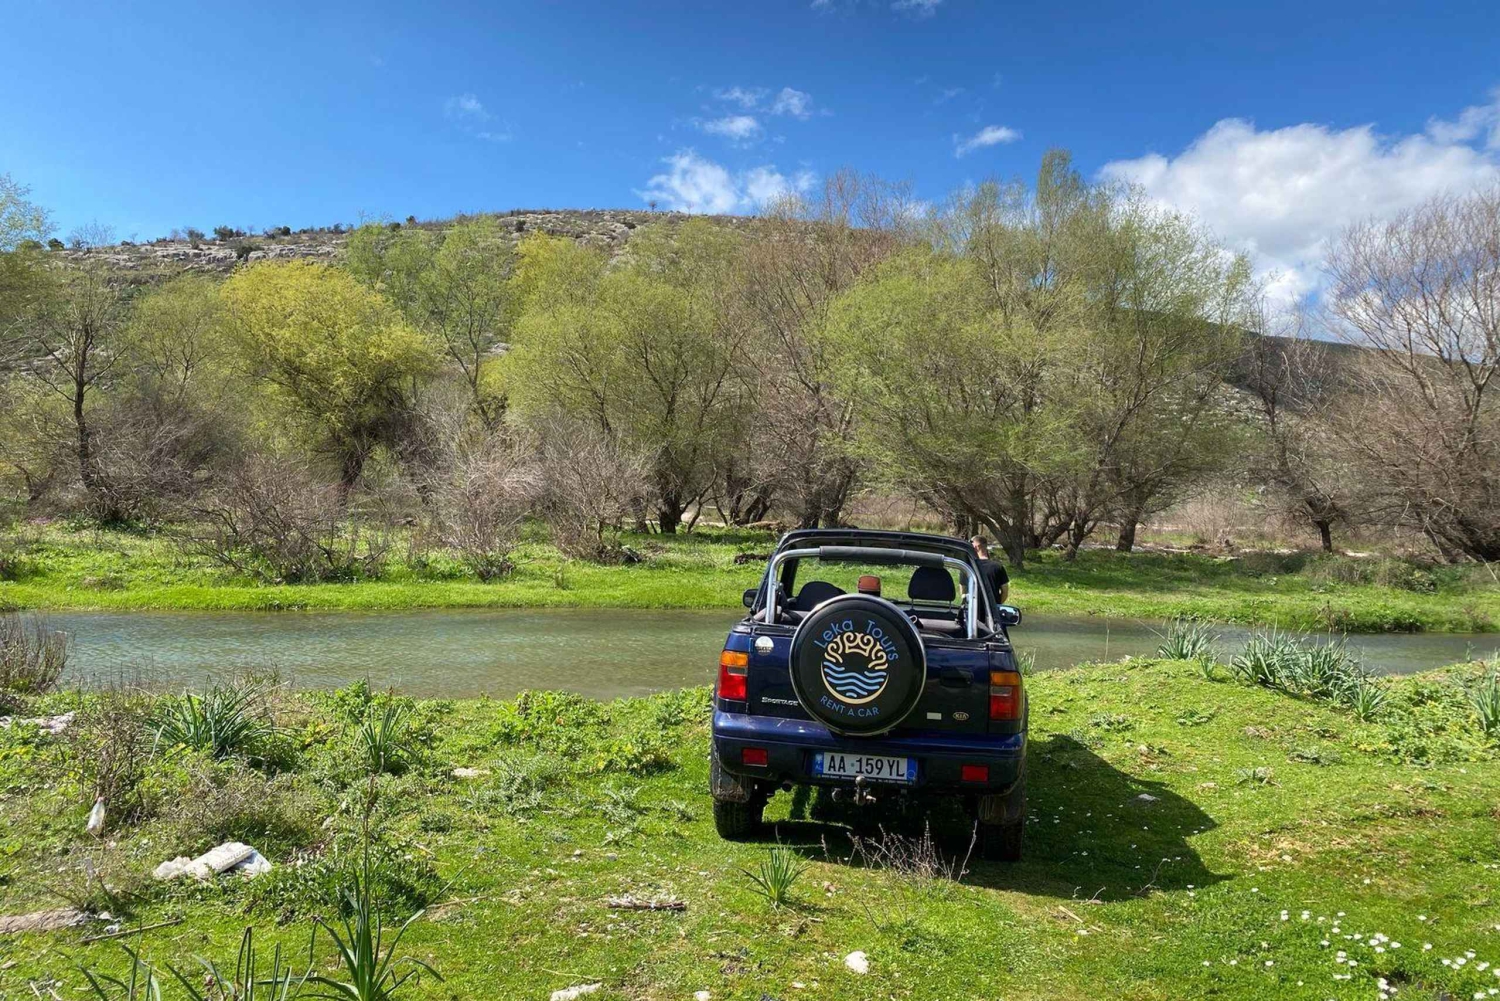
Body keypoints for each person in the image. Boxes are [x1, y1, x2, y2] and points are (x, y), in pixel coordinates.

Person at [970, 535, 1010, 605]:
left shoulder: (969, 567)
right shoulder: (998, 567)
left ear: (976, 547)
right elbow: (1005, 592)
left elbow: (963, 591)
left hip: (972, 611)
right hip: (991, 613)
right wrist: (995, 606)